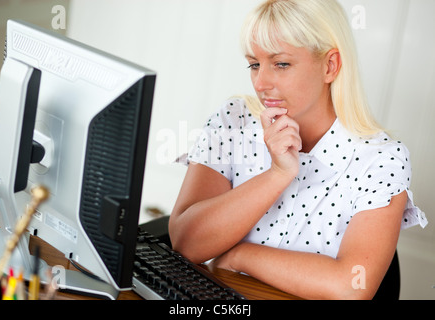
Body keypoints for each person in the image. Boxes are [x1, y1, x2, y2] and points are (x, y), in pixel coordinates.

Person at [168, 0, 427, 299]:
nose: (261, 82)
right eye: (254, 64)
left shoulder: (381, 158)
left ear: (330, 66)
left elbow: (352, 286)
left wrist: (240, 256)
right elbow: (186, 243)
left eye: (281, 64)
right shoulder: (234, 119)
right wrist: (277, 174)